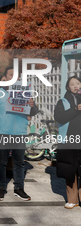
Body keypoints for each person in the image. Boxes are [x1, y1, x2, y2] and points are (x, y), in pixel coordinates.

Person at [0, 66, 38, 201]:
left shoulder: (26, 93)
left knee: (19, 162)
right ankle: (0, 188)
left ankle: (19, 188)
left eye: (15, 75)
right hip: (3, 131)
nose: (13, 77)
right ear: (5, 78)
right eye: (10, 75)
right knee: (1, 162)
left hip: (19, 132)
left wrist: (32, 106)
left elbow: (34, 112)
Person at [54, 76, 81, 209]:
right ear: (67, 87)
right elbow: (59, 117)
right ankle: (72, 199)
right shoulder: (62, 102)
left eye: (78, 83)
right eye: (72, 84)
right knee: (70, 169)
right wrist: (75, 109)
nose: (76, 86)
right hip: (69, 140)